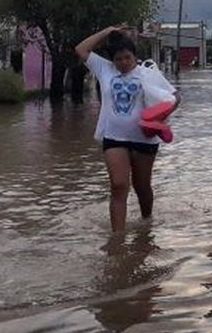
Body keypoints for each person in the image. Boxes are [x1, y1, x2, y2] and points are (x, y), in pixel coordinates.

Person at [76, 26, 180, 231]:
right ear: (112, 60)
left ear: (135, 56)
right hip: (114, 138)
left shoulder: (148, 73)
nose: (123, 63)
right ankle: (118, 239)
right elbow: (81, 49)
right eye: (119, 59)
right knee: (118, 185)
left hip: (144, 139)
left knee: (142, 187)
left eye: (127, 58)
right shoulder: (105, 69)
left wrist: (158, 117)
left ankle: (147, 223)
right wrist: (108, 31)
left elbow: (175, 97)